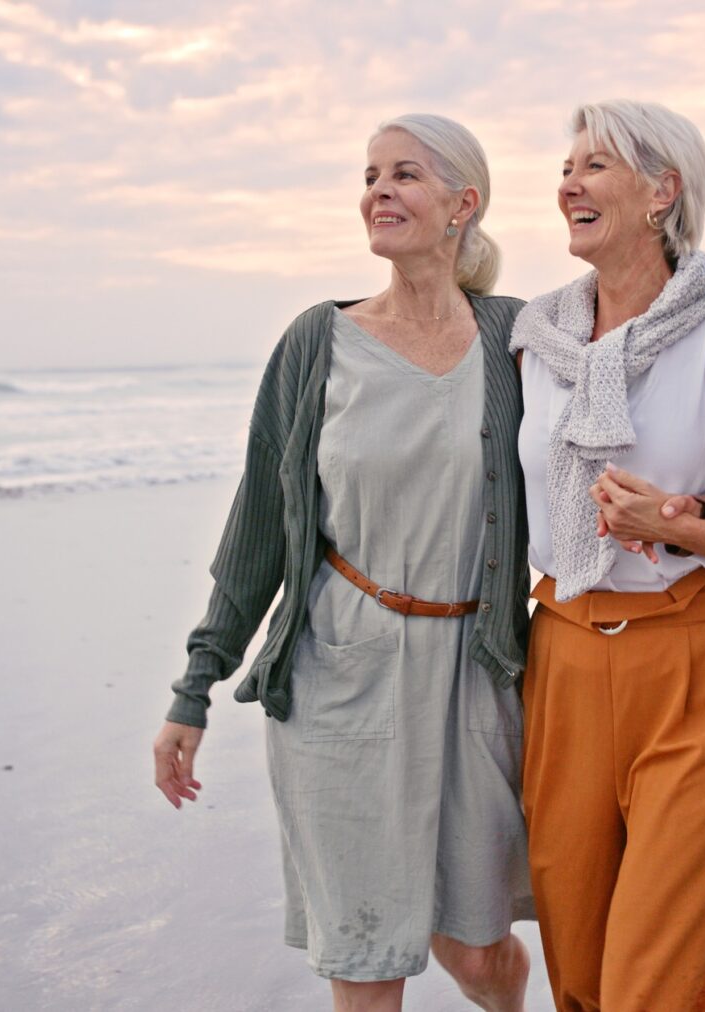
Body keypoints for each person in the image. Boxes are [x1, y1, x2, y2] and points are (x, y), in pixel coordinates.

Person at [151, 114, 535, 1012]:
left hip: (479, 677)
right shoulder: (316, 343)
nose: (378, 191)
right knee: (366, 959)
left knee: (477, 952)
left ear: (462, 204)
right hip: (342, 673)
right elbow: (256, 533)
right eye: (369, 176)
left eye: (404, 174)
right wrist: (194, 686)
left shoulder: (517, 338)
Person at [511, 98, 705, 1012]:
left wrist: (678, 526)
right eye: (567, 165)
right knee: (582, 977)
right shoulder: (533, 341)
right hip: (559, 652)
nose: (568, 183)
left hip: (695, 660)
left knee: (656, 982)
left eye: (595, 165)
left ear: (662, 191)